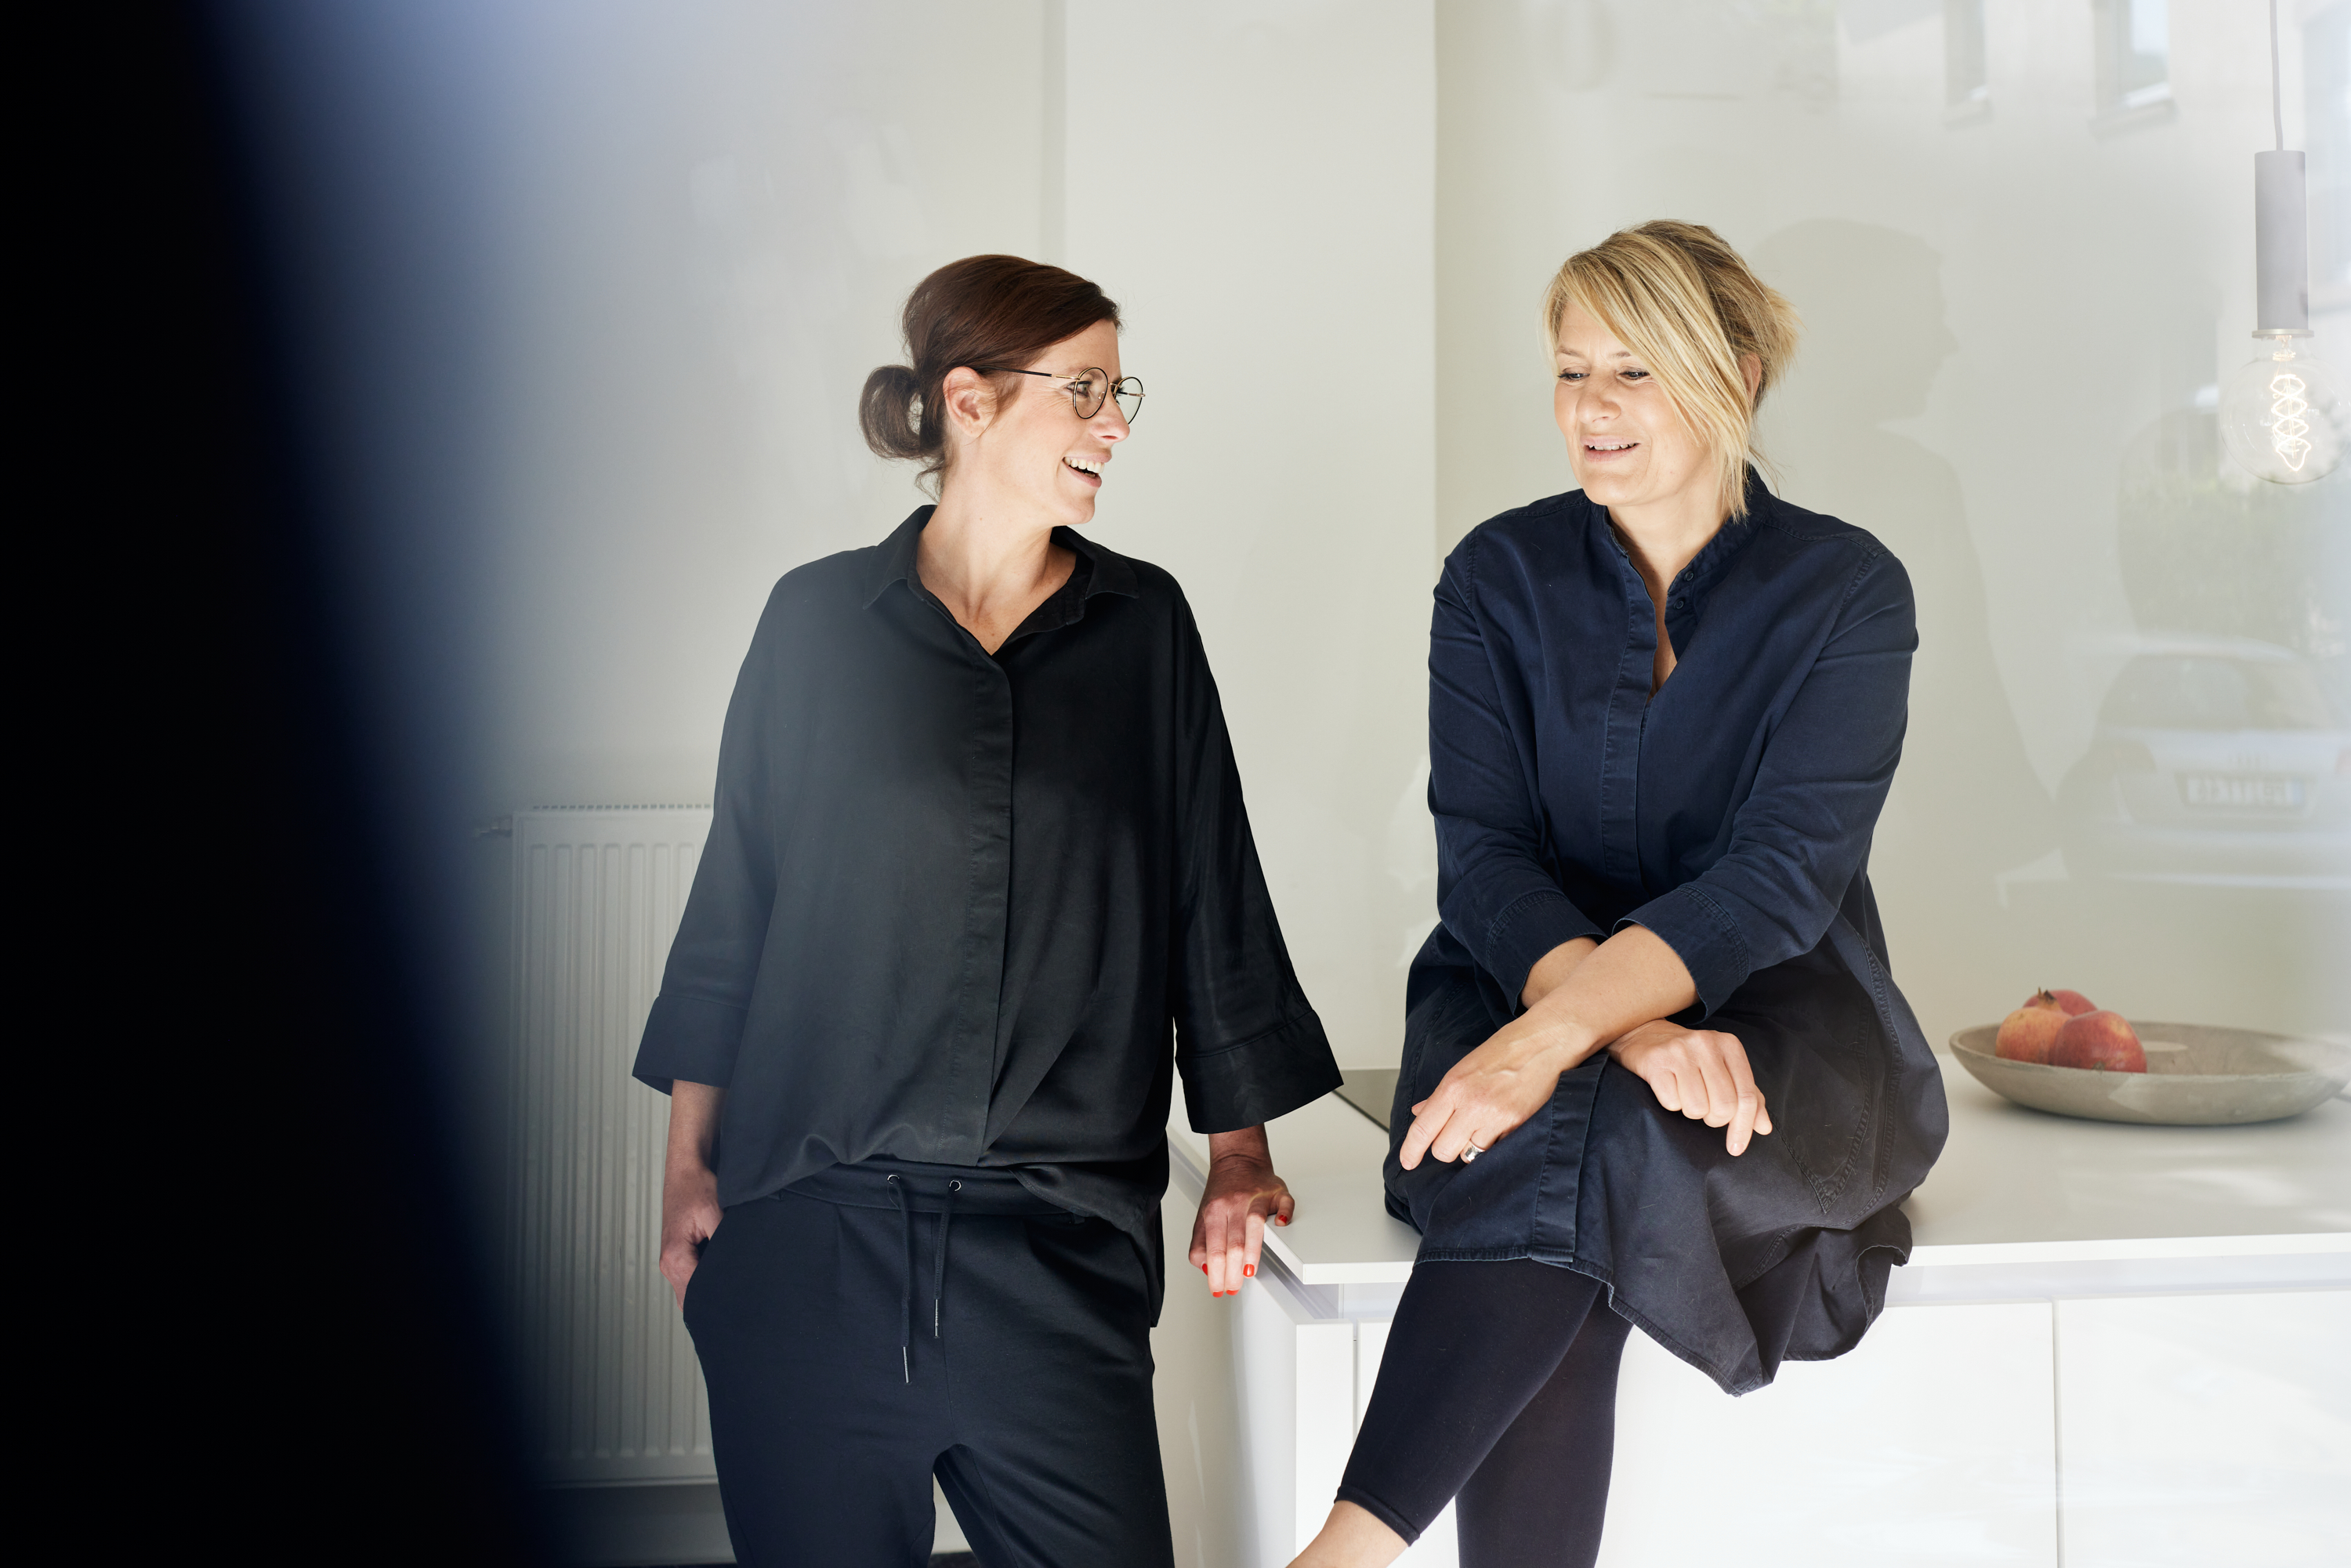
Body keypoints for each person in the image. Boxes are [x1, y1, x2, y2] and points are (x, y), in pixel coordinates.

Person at [634, 254, 1342, 1567]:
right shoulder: (815, 625)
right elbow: (737, 899)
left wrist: (1238, 1153)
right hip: (813, 1236)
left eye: (1118, 390)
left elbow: (1211, 895)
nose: (1114, 423)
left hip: (1054, 1254)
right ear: (969, 402)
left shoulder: (1147, 631)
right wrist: (688, 1163)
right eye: (1082, 389)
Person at [1291, 221, 1948, 1568]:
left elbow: (1779, 878)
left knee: (1579, 1141)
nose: (1590, 410)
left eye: (1634, 374)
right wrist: (1618, 1029)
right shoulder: (1496, 575)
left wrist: (1546, 1048)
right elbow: (1482, 858)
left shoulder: (1847, 591)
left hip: (1776, 1022)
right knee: (1595, 1133)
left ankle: (1345, 1552)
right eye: (1571, 371)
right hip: (1517, 984)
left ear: (1739, 376)